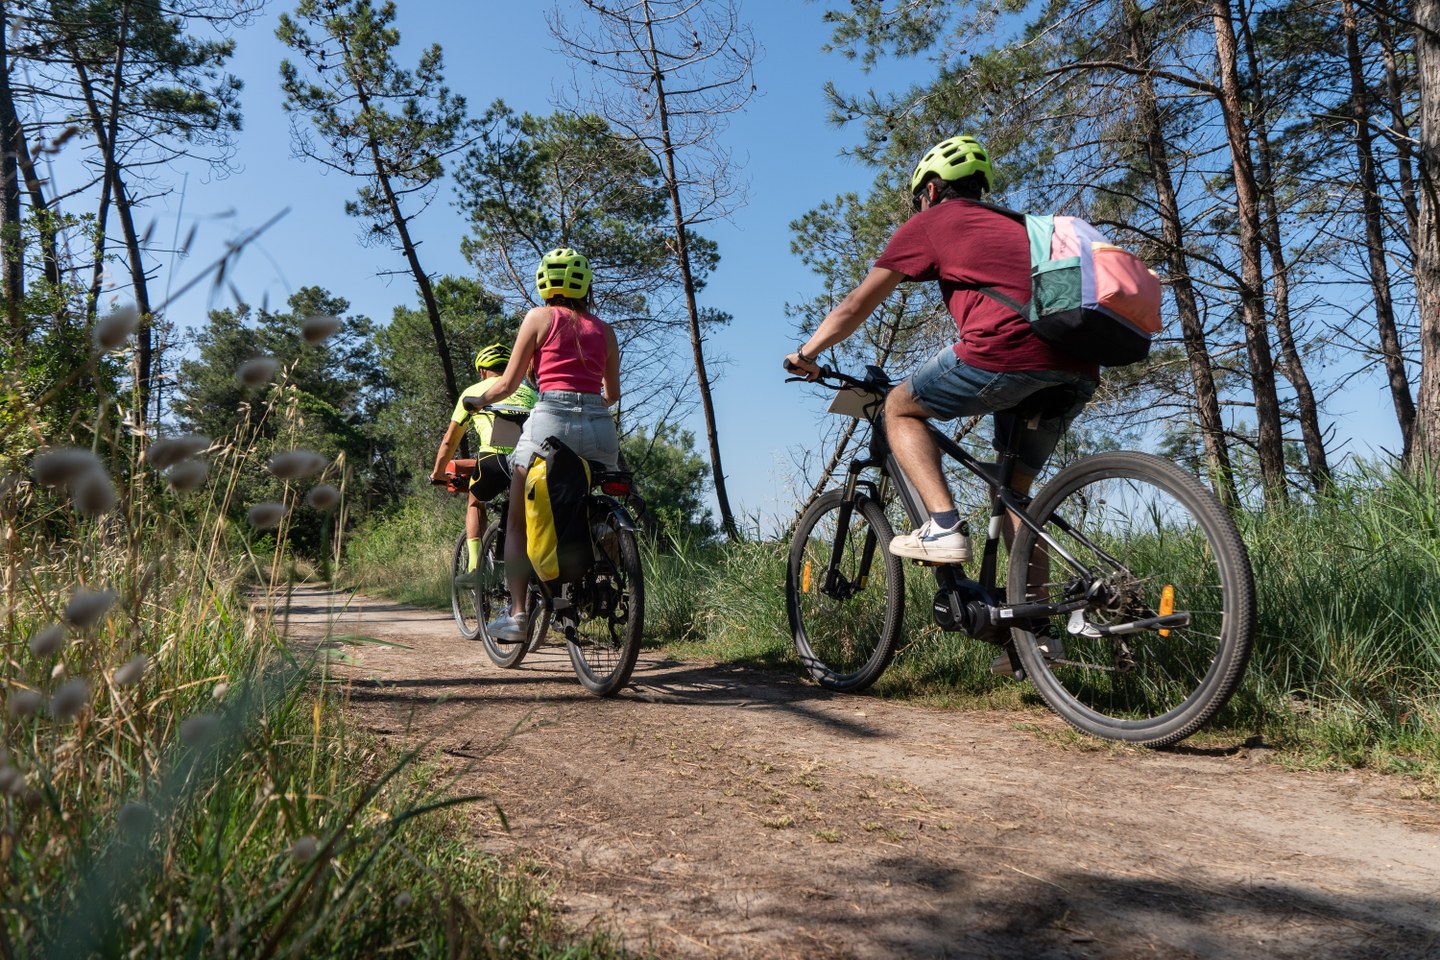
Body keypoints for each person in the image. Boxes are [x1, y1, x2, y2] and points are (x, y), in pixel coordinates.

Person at [783, 134, 1099, 566]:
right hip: (1077, 363)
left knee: (898, 407)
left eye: (920, 198)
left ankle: (944, 526)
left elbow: (856, 306)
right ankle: (1034, 609)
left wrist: (807, 353)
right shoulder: (1023, 226)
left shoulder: (934, 221)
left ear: (931, 191)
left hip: (1006, 352)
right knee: (1012, 494)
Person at [465, 248, 621, 641]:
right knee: (595, 504)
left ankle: (518, 615)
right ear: (585, 286)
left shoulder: (539, 318)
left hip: (550, 420)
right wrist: (588, 408)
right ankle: (598, 579)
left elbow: (507, 383)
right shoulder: (605, 331)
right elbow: (613, 394)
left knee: (517, 519)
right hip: (600, 428)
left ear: (544, 284)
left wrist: (478, 401)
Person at [429, 343, 539, 589]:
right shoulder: (529, 392)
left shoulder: (473, 391)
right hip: (531, 461)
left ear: (481, 371)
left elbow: (449, 441)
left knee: (476, 503)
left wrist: (438, 473)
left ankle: (475, 568)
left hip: (494, 460)